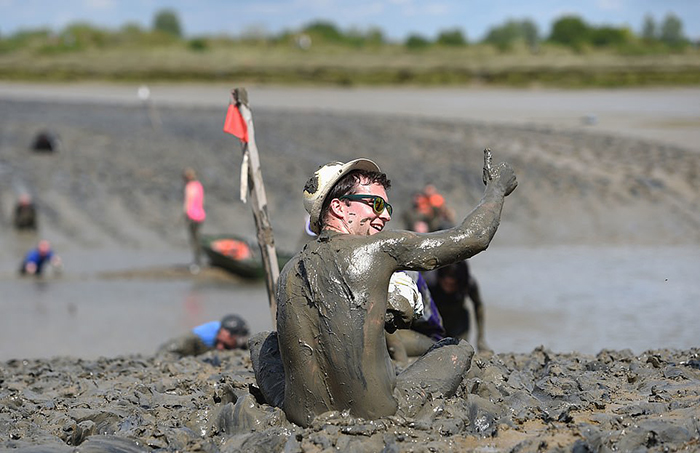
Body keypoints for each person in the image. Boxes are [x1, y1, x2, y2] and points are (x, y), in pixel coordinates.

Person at [251, 152, 517, 427]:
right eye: (376, 204)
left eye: (388, 208)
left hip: (301, 415)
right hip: (377, 412)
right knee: (457, 347)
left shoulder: (288, 270)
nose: (385, 216)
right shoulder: (379, 249)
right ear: (340, 208)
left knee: (261, 342)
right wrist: (497, 188)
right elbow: (473, 238)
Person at [425, 261, 492, 352]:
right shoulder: (429, 281)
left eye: (452, 284)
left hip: (458, 323)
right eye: (446, 282)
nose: (448, 285)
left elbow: (478, 305)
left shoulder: (469, 283)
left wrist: (480, 339)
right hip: (434, 323)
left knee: (459, 351)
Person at [158, 314, 250, 357]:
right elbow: (167, 349)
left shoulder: (243, 339)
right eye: (218, 342)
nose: (220, 347)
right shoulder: (201, 336)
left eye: (226, 345)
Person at [183, 168, 206, 273]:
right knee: (197, 238)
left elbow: (188, 201)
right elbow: (202, 201)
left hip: (192, 216)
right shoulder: (199, 185)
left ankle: (197, 262)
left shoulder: (189, 187)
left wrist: (185, 214)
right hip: (200, 215)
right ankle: (199, 261)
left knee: (194, 239)